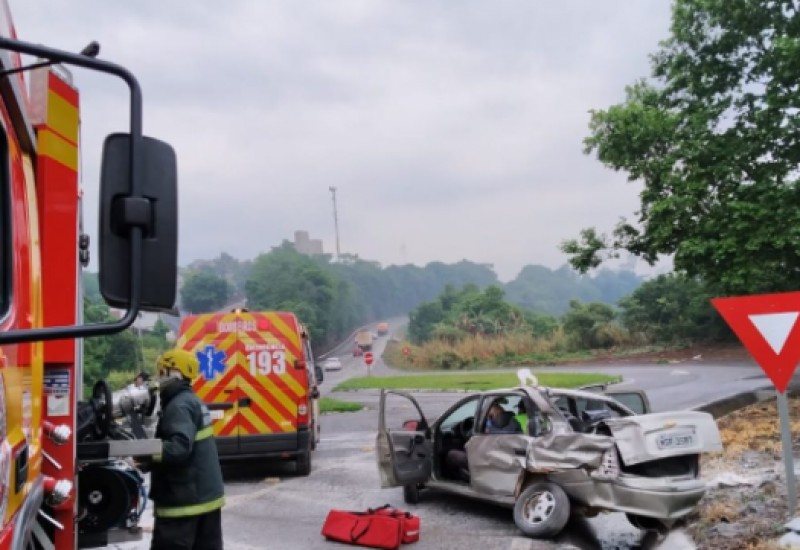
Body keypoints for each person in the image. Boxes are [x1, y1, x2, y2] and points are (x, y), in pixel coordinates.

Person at [147, 349, 225, 550]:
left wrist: (147, 453)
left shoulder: (178, 406)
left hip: (183, 503)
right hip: (205, 499)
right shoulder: (192, 400)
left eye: (161, 372)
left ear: (174, 373)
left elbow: (178, 448)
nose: (158, 377)